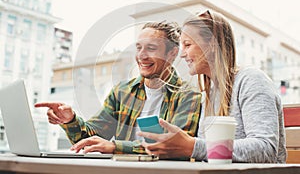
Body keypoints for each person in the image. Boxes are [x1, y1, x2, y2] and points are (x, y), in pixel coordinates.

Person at [137, 10, 287, 163]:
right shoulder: (210, 94)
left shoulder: (252, 80)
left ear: (213, 44)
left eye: (187, 45)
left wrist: (192, 146)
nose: (182, 54)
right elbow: (206, 154)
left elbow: (266, 148)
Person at [35, 21, 202, 154]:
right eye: (139, 48)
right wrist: (70, 120)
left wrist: (116, 147)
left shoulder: (189, 95)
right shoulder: (122, 92)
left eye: (151, 48)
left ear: (172, 53)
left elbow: (175, 146)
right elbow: (91, 138)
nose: (141, 56)